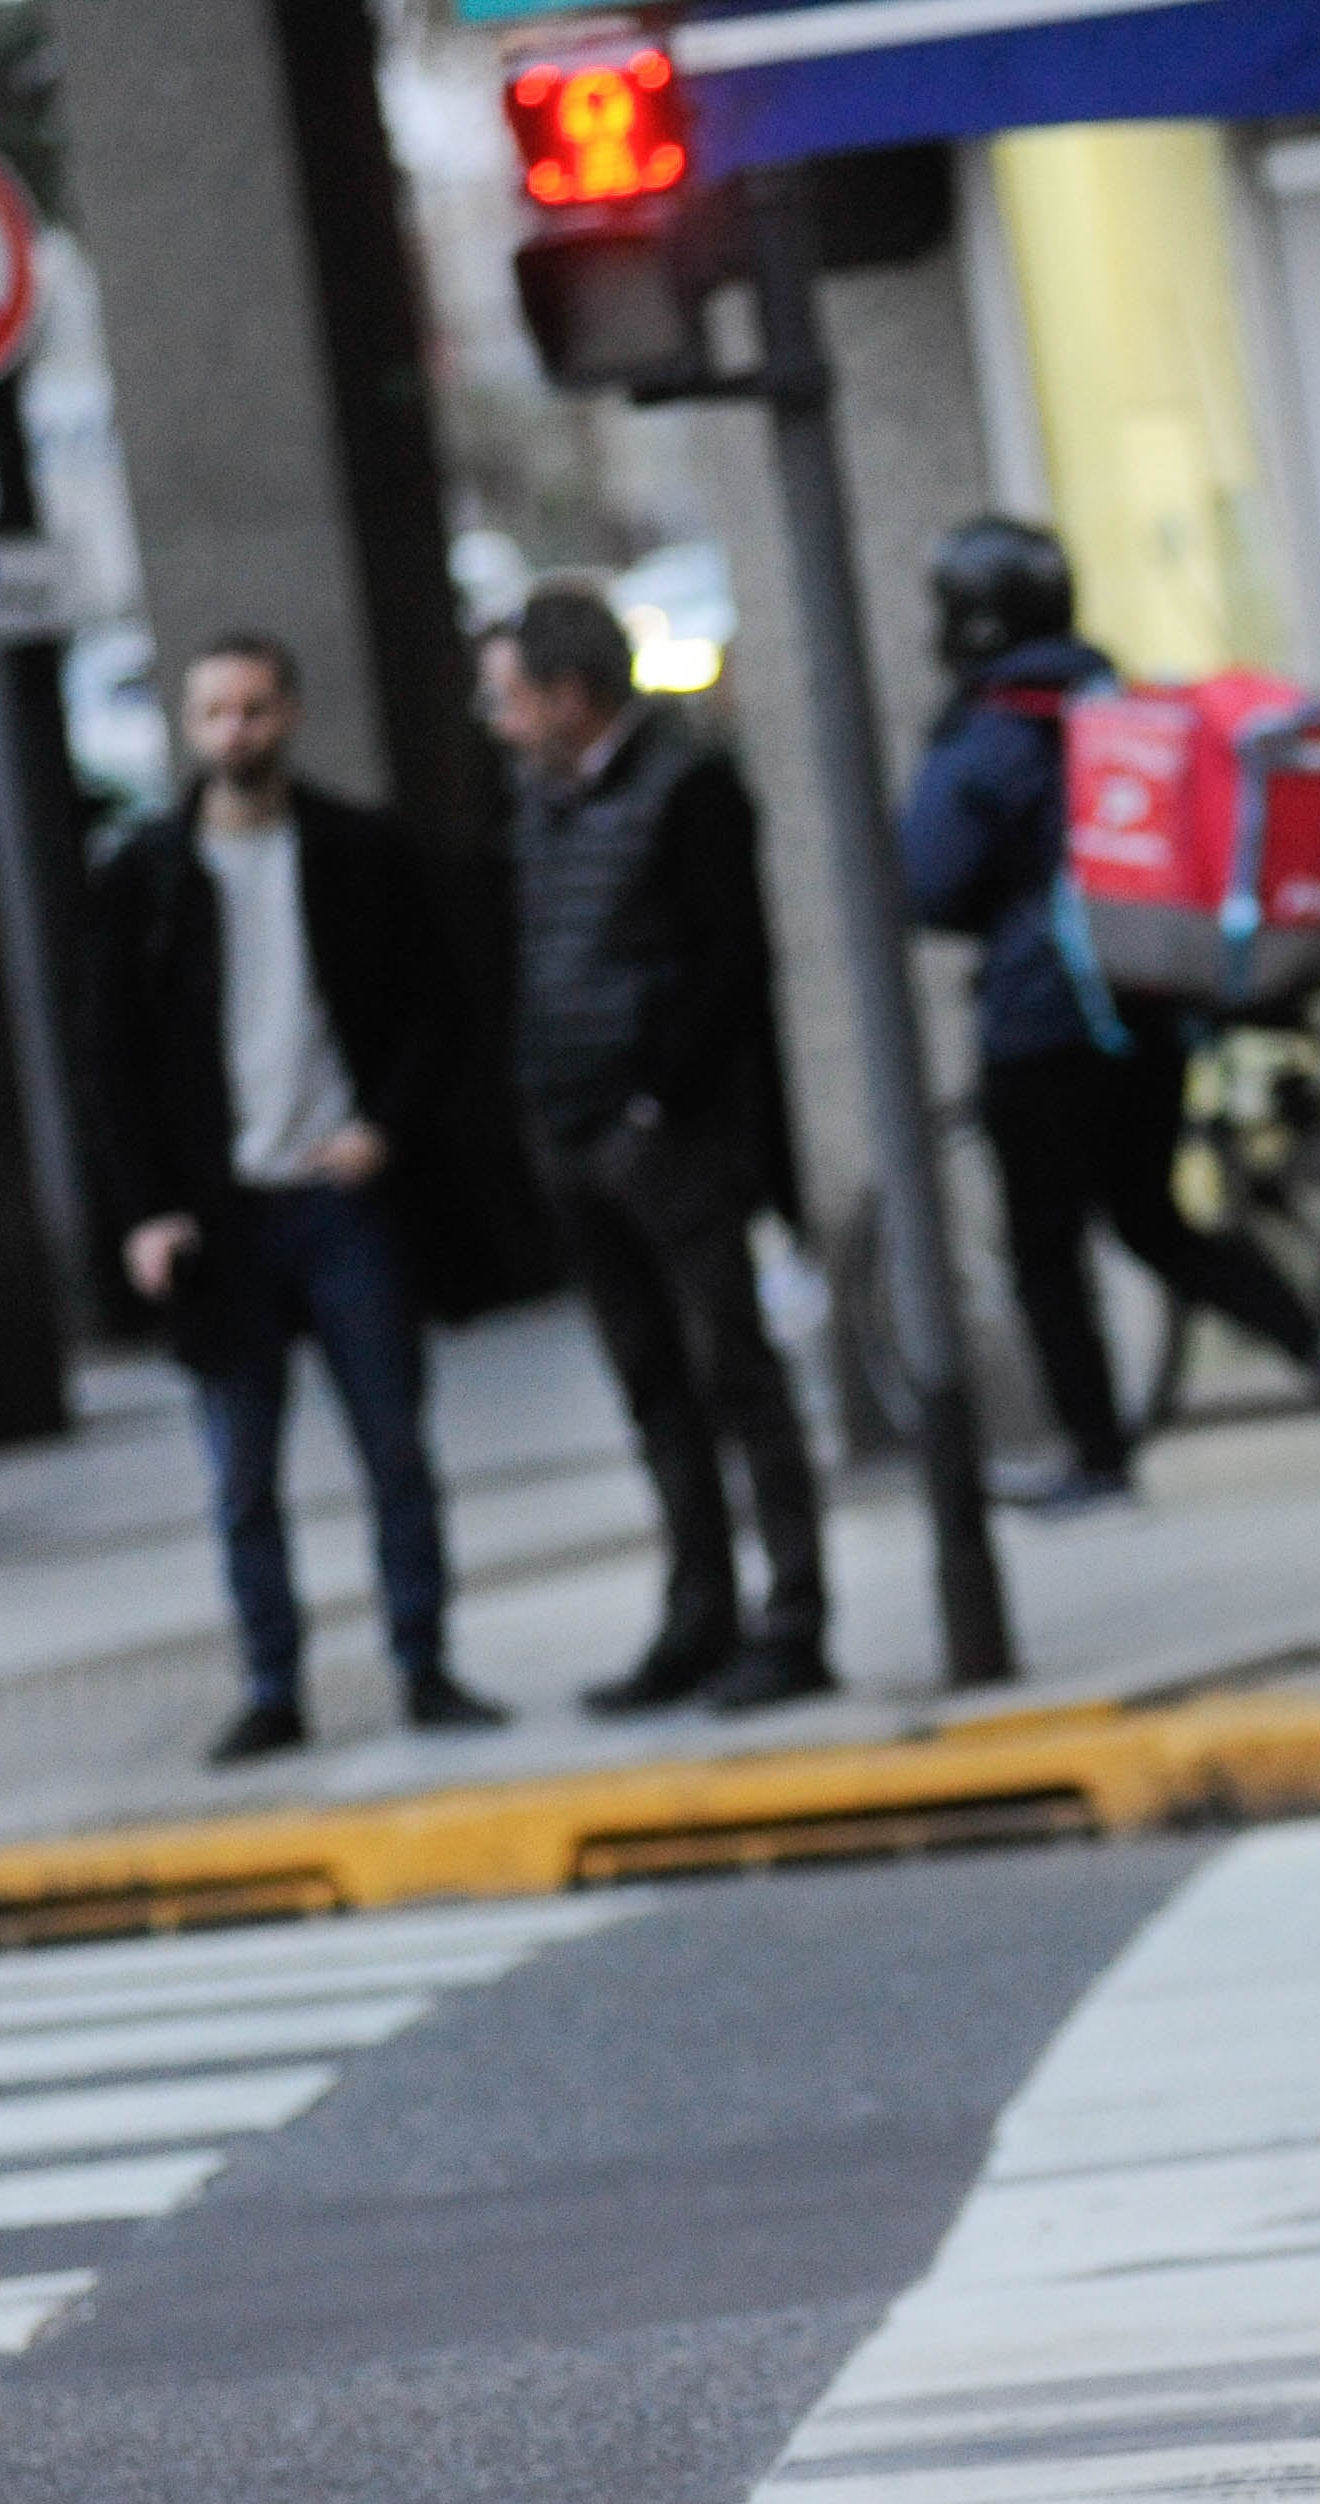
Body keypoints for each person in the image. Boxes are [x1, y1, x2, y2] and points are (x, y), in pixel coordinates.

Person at [85, 632, 508, 1765]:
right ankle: (272, 1684)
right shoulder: (149, 874)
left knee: (395, 1452)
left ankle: (422, 1662)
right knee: (241, 1478)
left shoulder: (360, 851)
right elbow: (113, 1060)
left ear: (292, 714)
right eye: (216, 712)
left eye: (256, 709)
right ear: (188, 726)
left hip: (340, 1200)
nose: (237, 732)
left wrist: (383, 1133)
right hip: (220, 1221)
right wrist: (146, 1212)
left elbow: (437, 1011)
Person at [902, 516, 1320, 1515]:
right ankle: (1318, 1340)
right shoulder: (1115, 702)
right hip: (1149, 1002)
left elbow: (929, 882)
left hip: (1038, 1024)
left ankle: (1096, 1458)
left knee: (1044, 1249)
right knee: (1152, 1219)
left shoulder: (986, 733)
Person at [481, 584, 835, 1713]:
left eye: (511, 699)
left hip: (666, 1136)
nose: (500, 722)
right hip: (576, 1133)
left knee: (735, 1373)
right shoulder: (536, 803)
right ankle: (699, 1614)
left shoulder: (688, 790)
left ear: (570, 695)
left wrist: (653, 1102)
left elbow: (731, 969)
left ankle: (791, 1614)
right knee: (652, 1388)